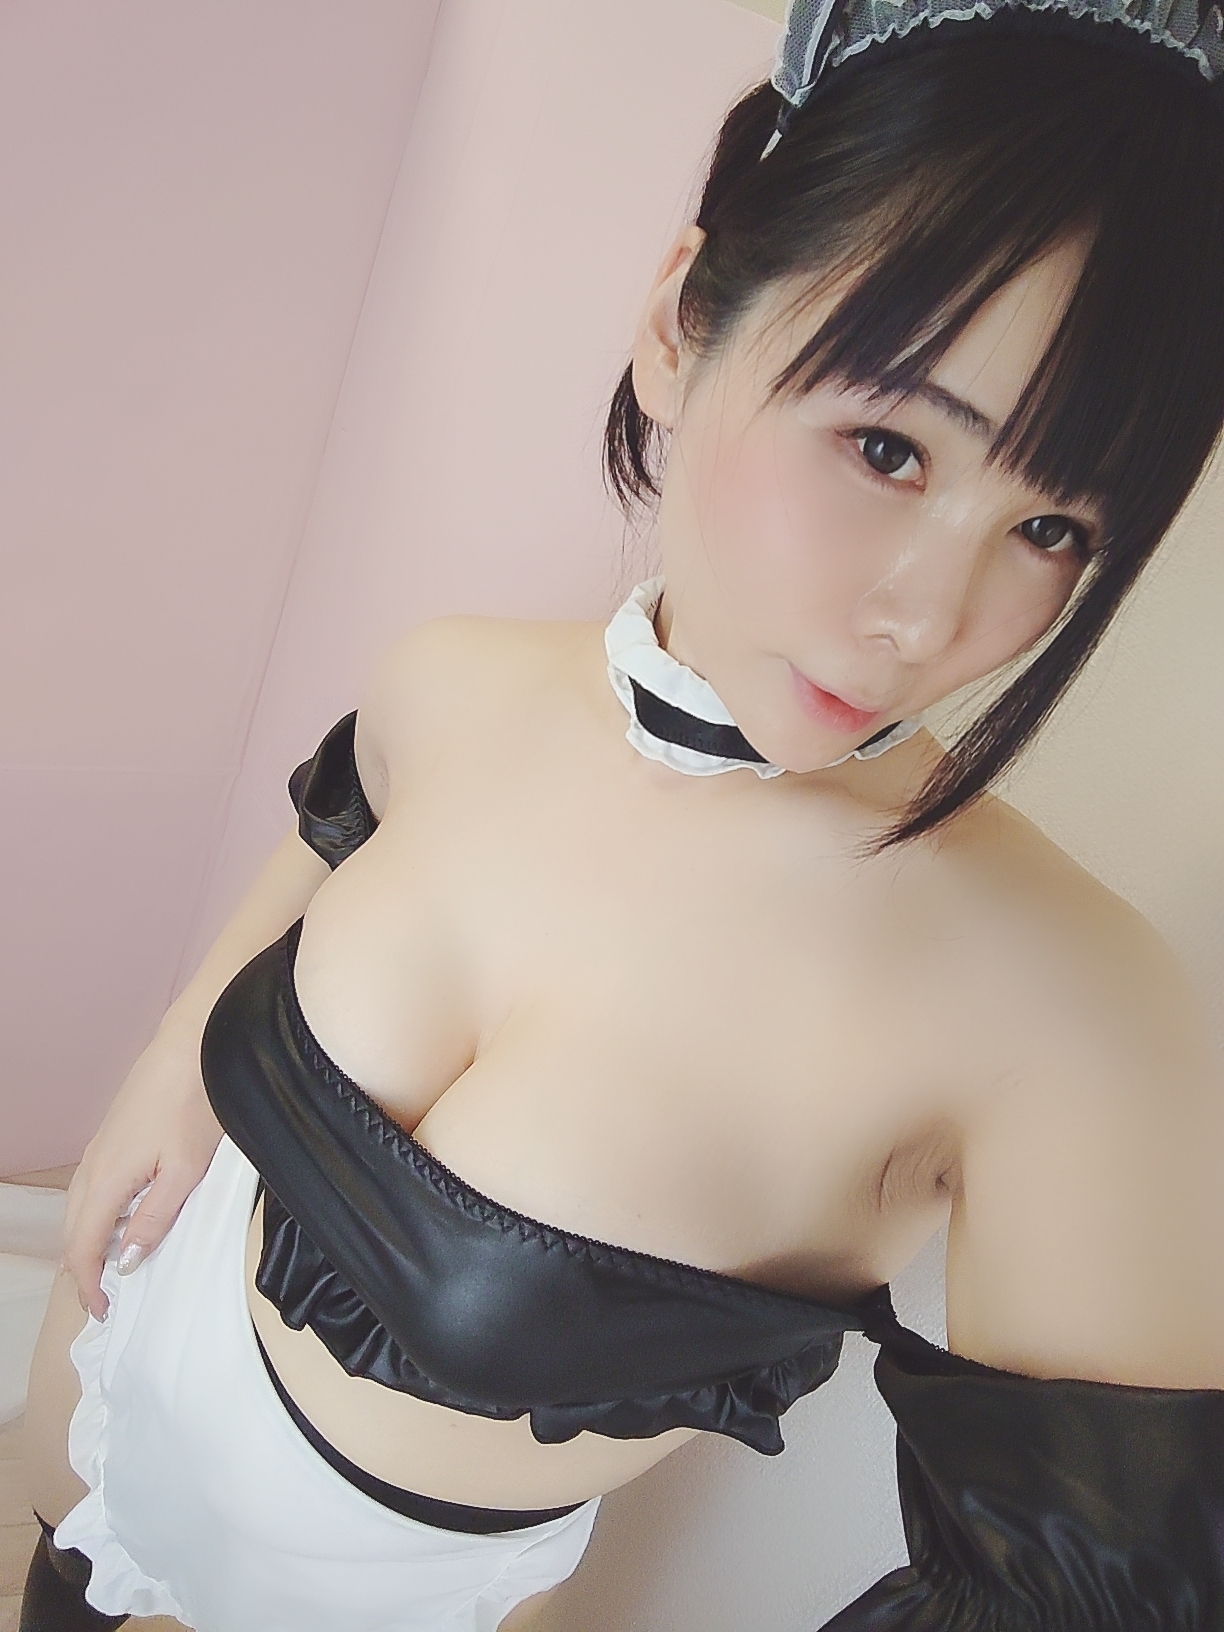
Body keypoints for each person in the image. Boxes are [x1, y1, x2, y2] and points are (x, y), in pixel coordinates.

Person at [20, 1, 1224, 1627]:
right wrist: (173, 1071)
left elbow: (1090, 1596)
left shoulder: (1062, 1005)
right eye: (888, 447)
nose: (928, 620)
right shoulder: (456, 681)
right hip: (90, 1396)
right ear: (680, 324)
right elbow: (337, 820)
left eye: (1057, 530)